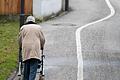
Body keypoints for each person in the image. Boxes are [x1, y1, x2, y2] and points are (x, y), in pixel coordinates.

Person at [19, 16, 45, 80]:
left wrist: (20, 47)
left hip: (26, 49)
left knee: (26, 68)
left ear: (27, 21)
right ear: (34, 21)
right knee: (33, 70)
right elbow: (42, 39)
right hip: (35, 49)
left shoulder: (23, 28)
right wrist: (42, 46)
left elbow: (20, 40)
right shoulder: (38, 28)